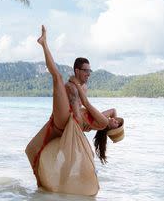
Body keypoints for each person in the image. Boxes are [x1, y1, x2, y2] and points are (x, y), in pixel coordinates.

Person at [25, 25, 121, 185]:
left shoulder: (102, 122)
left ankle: (44, 43)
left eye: (89, 71)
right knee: (33, 149)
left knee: (56, 77)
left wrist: (74, 83)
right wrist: (116, 120)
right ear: (77, 70)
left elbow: (82, 107)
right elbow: (113, 110)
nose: (89, 74)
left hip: (67, 123)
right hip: (68, 117)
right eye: (87, 71)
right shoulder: (103, 114)